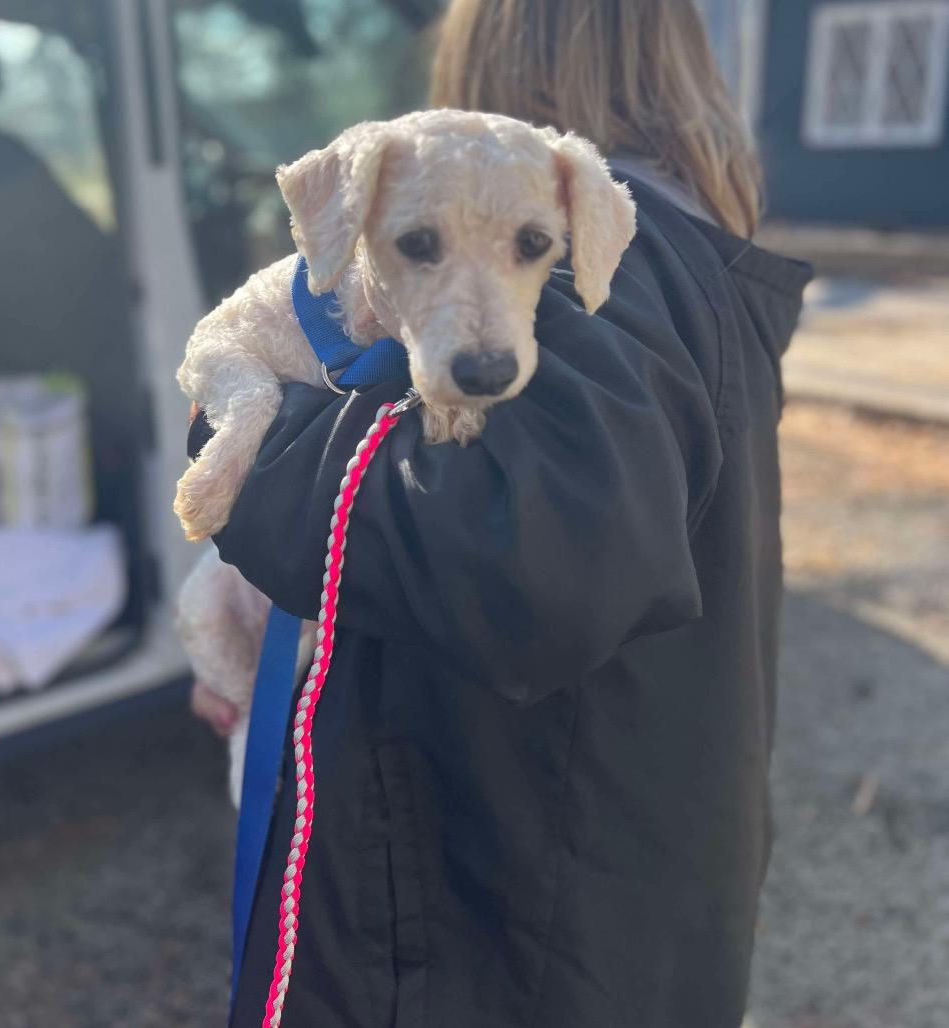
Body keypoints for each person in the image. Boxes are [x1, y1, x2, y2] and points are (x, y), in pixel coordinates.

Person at [191, 1, 812, 1024]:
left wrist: (234, 441)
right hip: (630, 867)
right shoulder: (693, 259)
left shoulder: (600, 261)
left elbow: (525, 570)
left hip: (502, 926)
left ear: (489, 54)